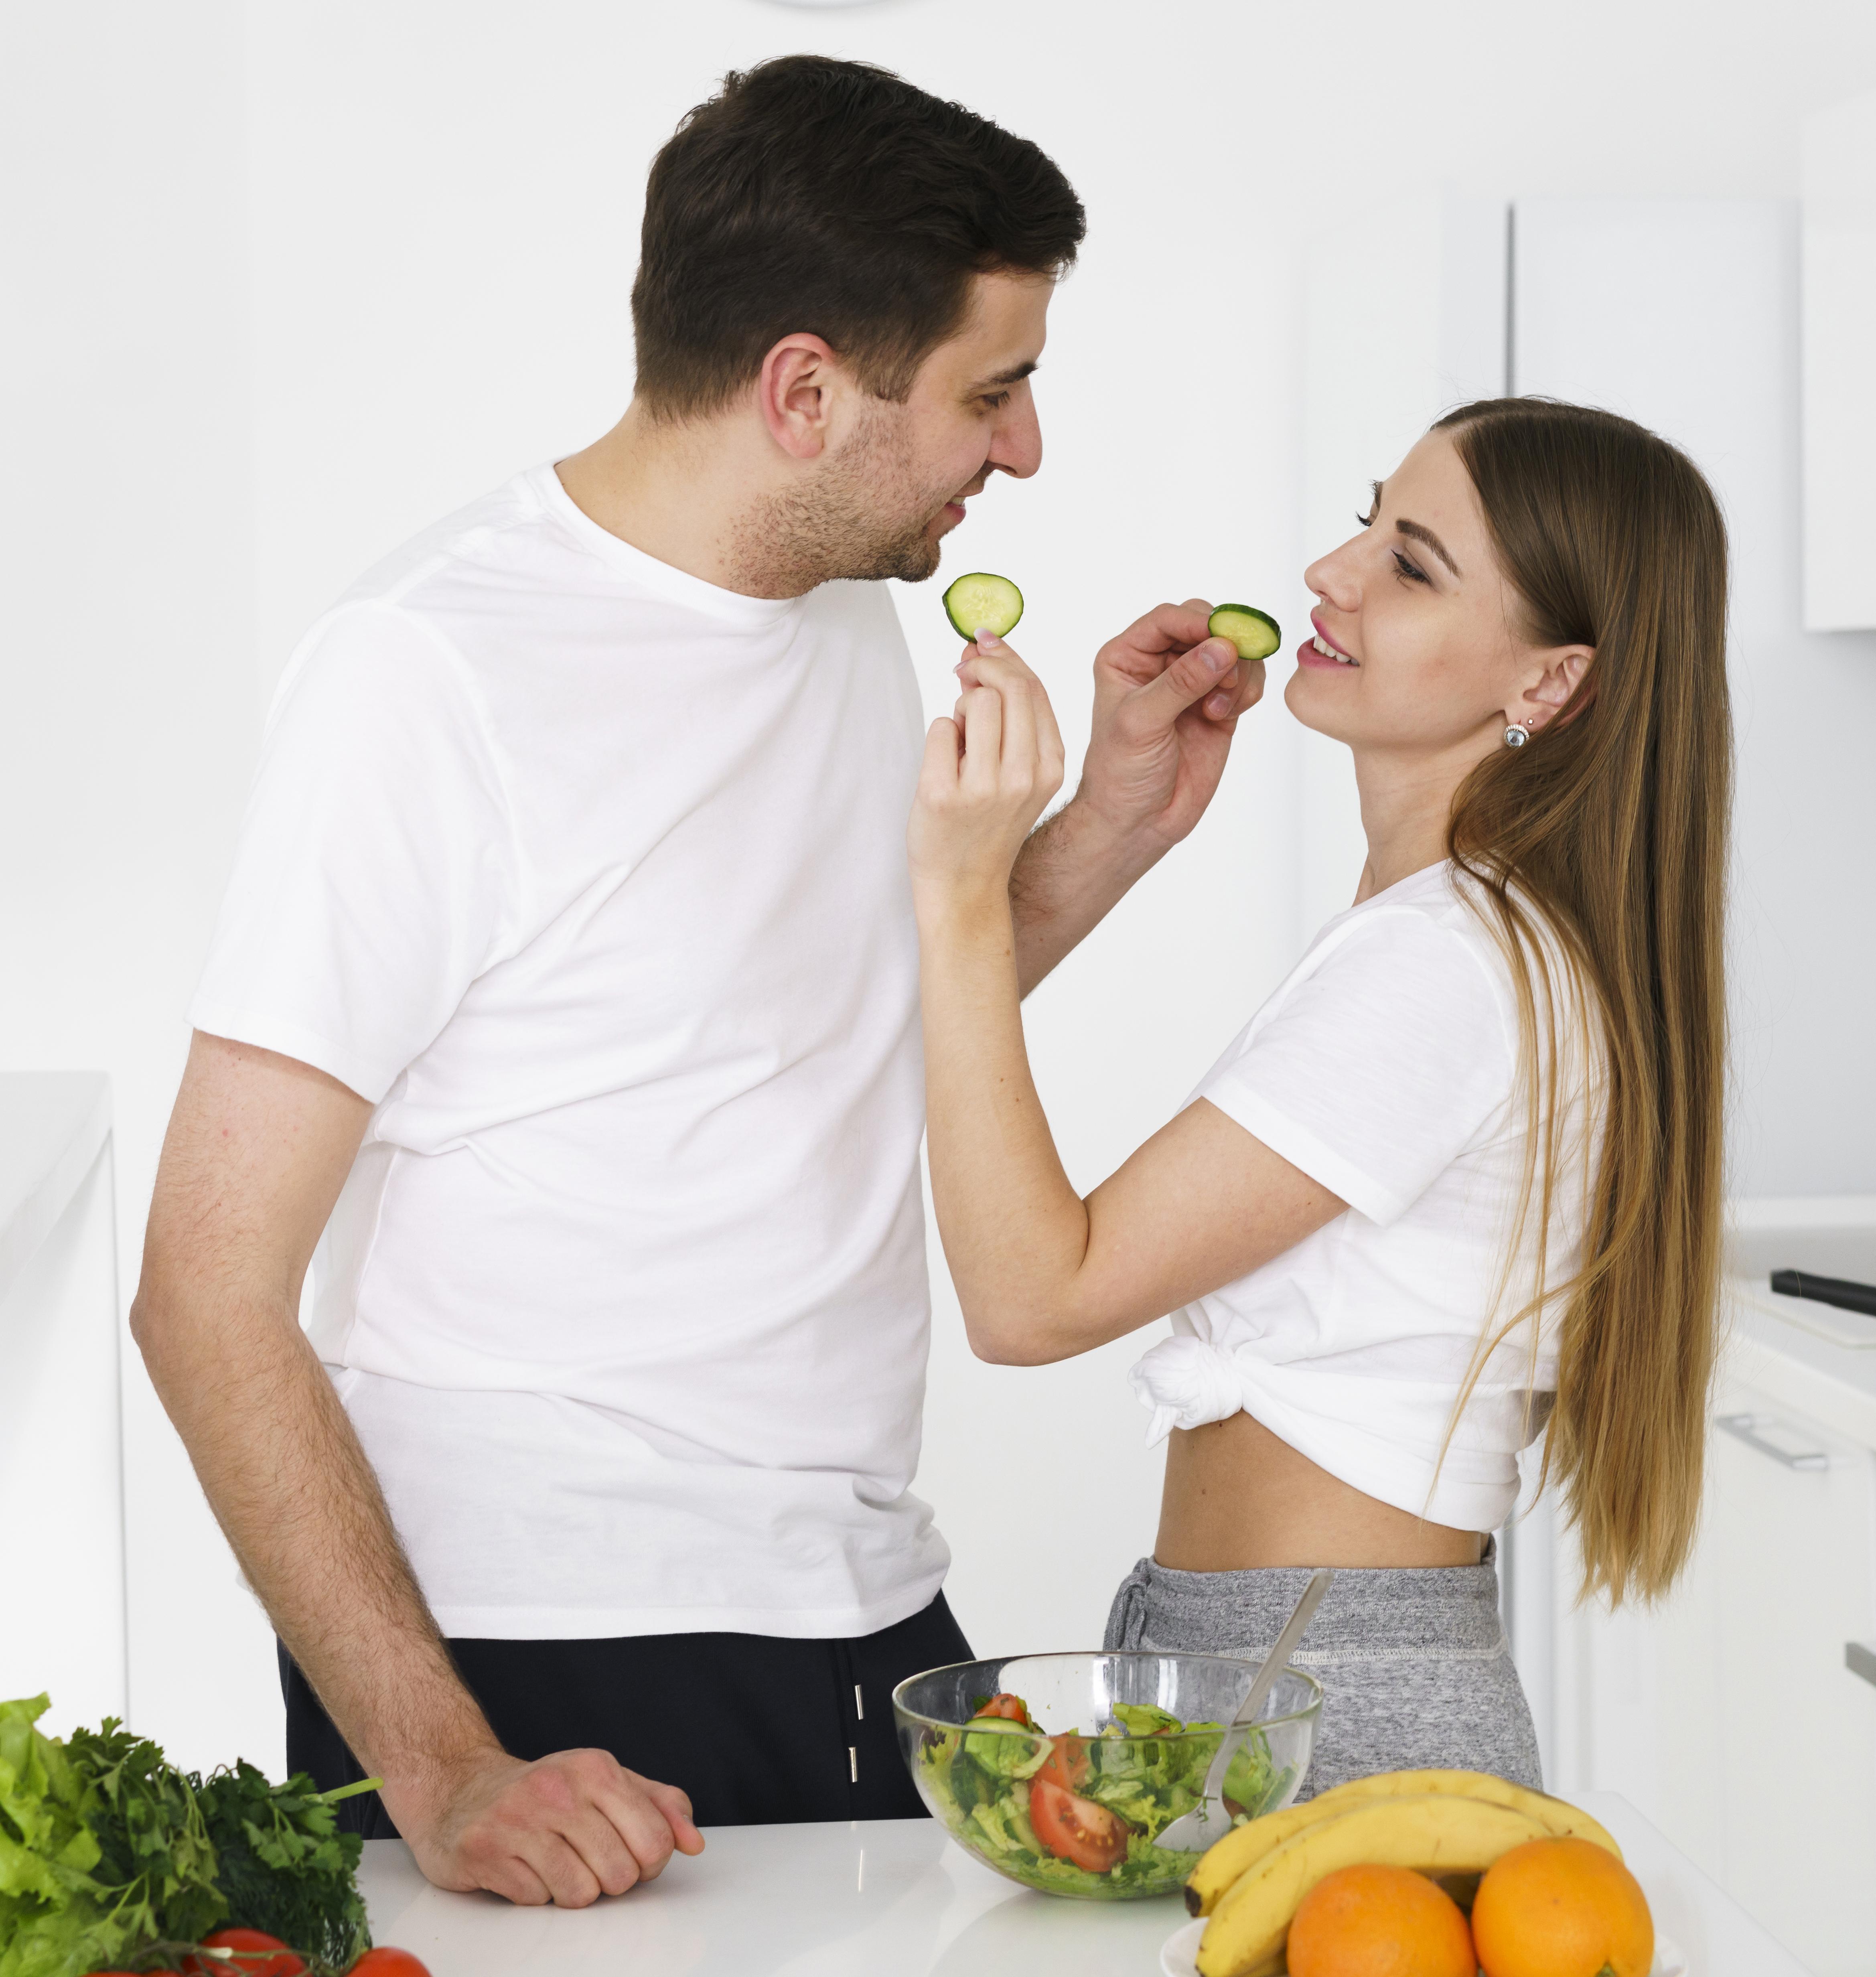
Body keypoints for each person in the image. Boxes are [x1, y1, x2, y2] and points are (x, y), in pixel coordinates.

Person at [130, 55, 1266, 1908]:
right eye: (992, 391)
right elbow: (203, 1288)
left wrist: (1107, 832)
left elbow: (829, 1026)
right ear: (803, 392)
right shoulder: (424, 675)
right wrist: (442, 1768)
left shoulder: (844, 611)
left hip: (858, 1601)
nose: (1027, 451)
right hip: (529, 1654)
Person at [908, 396, 1731, 1794]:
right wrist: (1114, 821)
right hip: (1276, 1655)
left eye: (1410, 565)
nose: (1330, 574)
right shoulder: (1455, 934)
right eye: (1367, 523)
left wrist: (961, 885)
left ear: (1549, 682)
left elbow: (1032, 1299)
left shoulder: (1446, 963)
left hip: (1330, 1689)